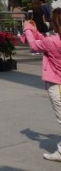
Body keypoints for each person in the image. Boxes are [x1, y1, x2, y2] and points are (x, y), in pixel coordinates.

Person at [21, 9, 61, 162]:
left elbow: (34, 45)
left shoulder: (52, 41)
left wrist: (27, 29)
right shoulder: (51, 40)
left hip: (57, 84)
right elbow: (43, 42)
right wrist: (36, 31)